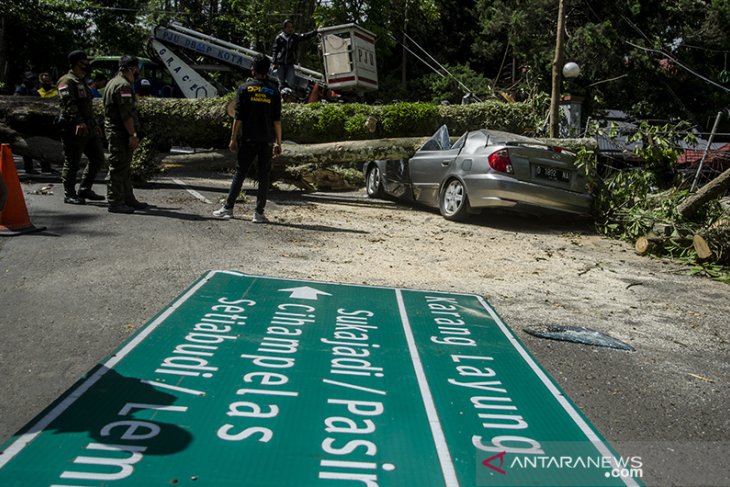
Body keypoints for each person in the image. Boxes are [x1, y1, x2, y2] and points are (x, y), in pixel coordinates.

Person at [213, 54, 282, 222]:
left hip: (249, 139)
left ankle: (228, 208)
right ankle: (259, 213)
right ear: (267, 71)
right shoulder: (273, 91)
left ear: (253, 70)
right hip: (266, 140)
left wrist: (233, 138)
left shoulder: (244, 89)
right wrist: (279, 142)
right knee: (264, 177)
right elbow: (277, 120)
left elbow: (238, 117)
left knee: (240, 173)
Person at [56, 50, 107, 204]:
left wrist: (95, 124)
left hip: (89, 127)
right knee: (72, 160)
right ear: (78, 62)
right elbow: (68, 103)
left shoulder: (82, 80)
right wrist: (78, 121)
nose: (88, 64)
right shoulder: (66, 81)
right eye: (85, 61)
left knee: (98, 158)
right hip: (74, 127)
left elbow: (87, 106)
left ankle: (85, 188)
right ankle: (69, 193)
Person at [103, 55, 148, 214]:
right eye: (137, 68)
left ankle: (128, 198)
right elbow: (126, 115)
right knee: (118, 167)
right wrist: (133, 135)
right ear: (131, 68)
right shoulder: (123, 86)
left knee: (124, 167)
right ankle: (115, 202)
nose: (138, 72)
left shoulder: (114, 82)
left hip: (117, 130)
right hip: (120, 132)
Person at [272, 19, 318, 91]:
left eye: (291, 27)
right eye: (288, 27)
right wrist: (274, 62)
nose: (290, 29)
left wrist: (315, 32)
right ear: (284, 28)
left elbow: (305, 36)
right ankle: (281, 98)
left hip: (290, 64)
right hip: (280, 64)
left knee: (291, 82)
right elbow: (275, 50)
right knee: (281, 83)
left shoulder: (294, 36)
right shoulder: (279, 38)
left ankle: (290, 98)